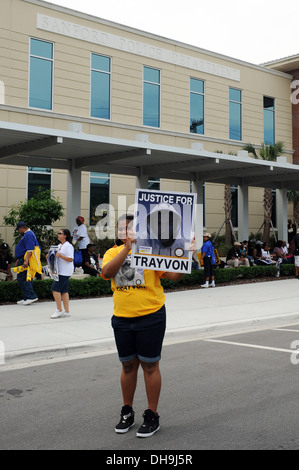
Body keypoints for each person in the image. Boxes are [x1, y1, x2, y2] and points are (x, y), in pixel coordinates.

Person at [101, 213, 195, 438]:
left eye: (131, 229)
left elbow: (174, 276)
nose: (126, 232)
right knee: (127, 365)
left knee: (150, 365)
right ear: (118, 233)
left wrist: (189, 254)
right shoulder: (111, 252)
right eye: (122, 229)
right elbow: (106, 273)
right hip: (122, 318)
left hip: (151, 316)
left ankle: (152, 414)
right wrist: (127, 248)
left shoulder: (151, 251)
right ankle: (127, 411)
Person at [50, 229, 74, 319]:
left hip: (64, 271)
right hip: (60, 271)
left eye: (60, 233)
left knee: (55, 289)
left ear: (65, 235)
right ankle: (66, 311)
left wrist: (60, 256)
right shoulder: (60, 245)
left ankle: (59, 310)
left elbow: (70, 259)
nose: (58, 235)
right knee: (64, 291)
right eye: (58, 233)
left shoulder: (68, 246)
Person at [15, 221, 40, 305]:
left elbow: (30, 249)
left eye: (18, 230)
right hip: (23, 258)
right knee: (25, 277)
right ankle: (27, 297)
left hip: (26, 259)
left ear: (22, 228)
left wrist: (25, 260)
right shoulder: (27, 234)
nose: (18, 232)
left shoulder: (29, 235)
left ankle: (31, 296)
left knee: (22, 278)